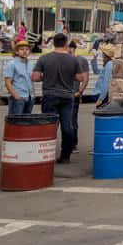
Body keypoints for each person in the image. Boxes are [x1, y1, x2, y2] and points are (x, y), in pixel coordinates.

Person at [32, 33, 87, 164]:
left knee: (49, 126)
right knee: (67, 127)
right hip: (68, 96)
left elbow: (34, 77)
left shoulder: (44, 58)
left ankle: (47, 154)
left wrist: (45, 77)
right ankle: (65, 156)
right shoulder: (73, 60)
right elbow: (81, 78)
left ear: (53, 43)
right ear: (66, 44)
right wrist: (70, 76)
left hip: (50, 95)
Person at [4, 39, 35, 116]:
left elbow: (32, 79)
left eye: (27, 49)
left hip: (30, 97)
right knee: (15, 123)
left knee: (26, 123)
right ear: (17, 52)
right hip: (18, 98)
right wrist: (16, 96)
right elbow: (8, 82)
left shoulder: (31, 64)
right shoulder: (12, 64)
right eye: (21, 49)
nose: (25, 51)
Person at [68, 41, 90, 147]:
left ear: (73, 48)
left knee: (72, 121)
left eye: (69, 48)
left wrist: (80, 91)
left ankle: (73, 144)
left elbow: (85, 78)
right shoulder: (63, 59)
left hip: (73, 95)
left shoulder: (82, 60)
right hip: (63, 94)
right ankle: (67, 144)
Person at [91, 44, 115, 108]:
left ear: (105, 54)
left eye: (103, 53)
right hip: (101, 95)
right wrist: (94, 59)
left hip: (103, 96)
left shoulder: (109, 64)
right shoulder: (107, 64)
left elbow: (106, 82)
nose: (102, 54)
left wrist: (101, 99)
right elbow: (96, 71)